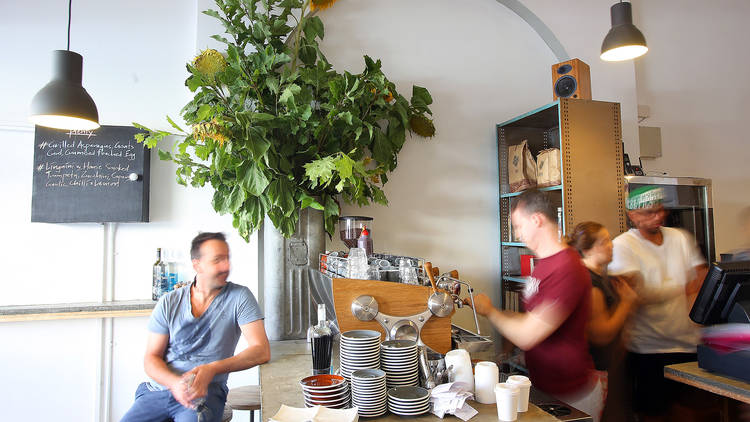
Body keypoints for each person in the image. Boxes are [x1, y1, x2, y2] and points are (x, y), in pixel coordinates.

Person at [469, 189, 601, 420]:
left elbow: (528, 334)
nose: (517, 234)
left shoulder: (567, 268)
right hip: (546, 387)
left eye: (519, 226)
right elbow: (534, 319)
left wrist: (489, 311)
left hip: (572, 394)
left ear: (536, 219)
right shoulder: (543, 265)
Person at [121, 232, 271, 422]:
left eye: (227, 259)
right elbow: (151, 359)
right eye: (217, 260)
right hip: (156, 392)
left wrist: (212, 368)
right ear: (196, 264)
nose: (226, 266)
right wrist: (175, 384)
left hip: (204, 395)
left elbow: (261, 351)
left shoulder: (239, 297)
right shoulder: (169, 301)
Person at [608, 186, 708, 422]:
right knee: (653, 414)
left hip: (687, 344)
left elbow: (701, 278)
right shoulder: (623, 245)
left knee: (689, 413)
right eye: (649, 212)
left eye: (660, 210)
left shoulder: (680, 238)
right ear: (632, 215)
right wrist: (680, 287)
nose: (658, 217)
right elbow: (634, 294)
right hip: (648, 348)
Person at [567, 221, 638, 422]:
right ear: (587, 249)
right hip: (589, 372)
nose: (611, 245)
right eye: (604, 241)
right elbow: (601, 334)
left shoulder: (595, 276)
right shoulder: (591, 283)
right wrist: (626, 302)